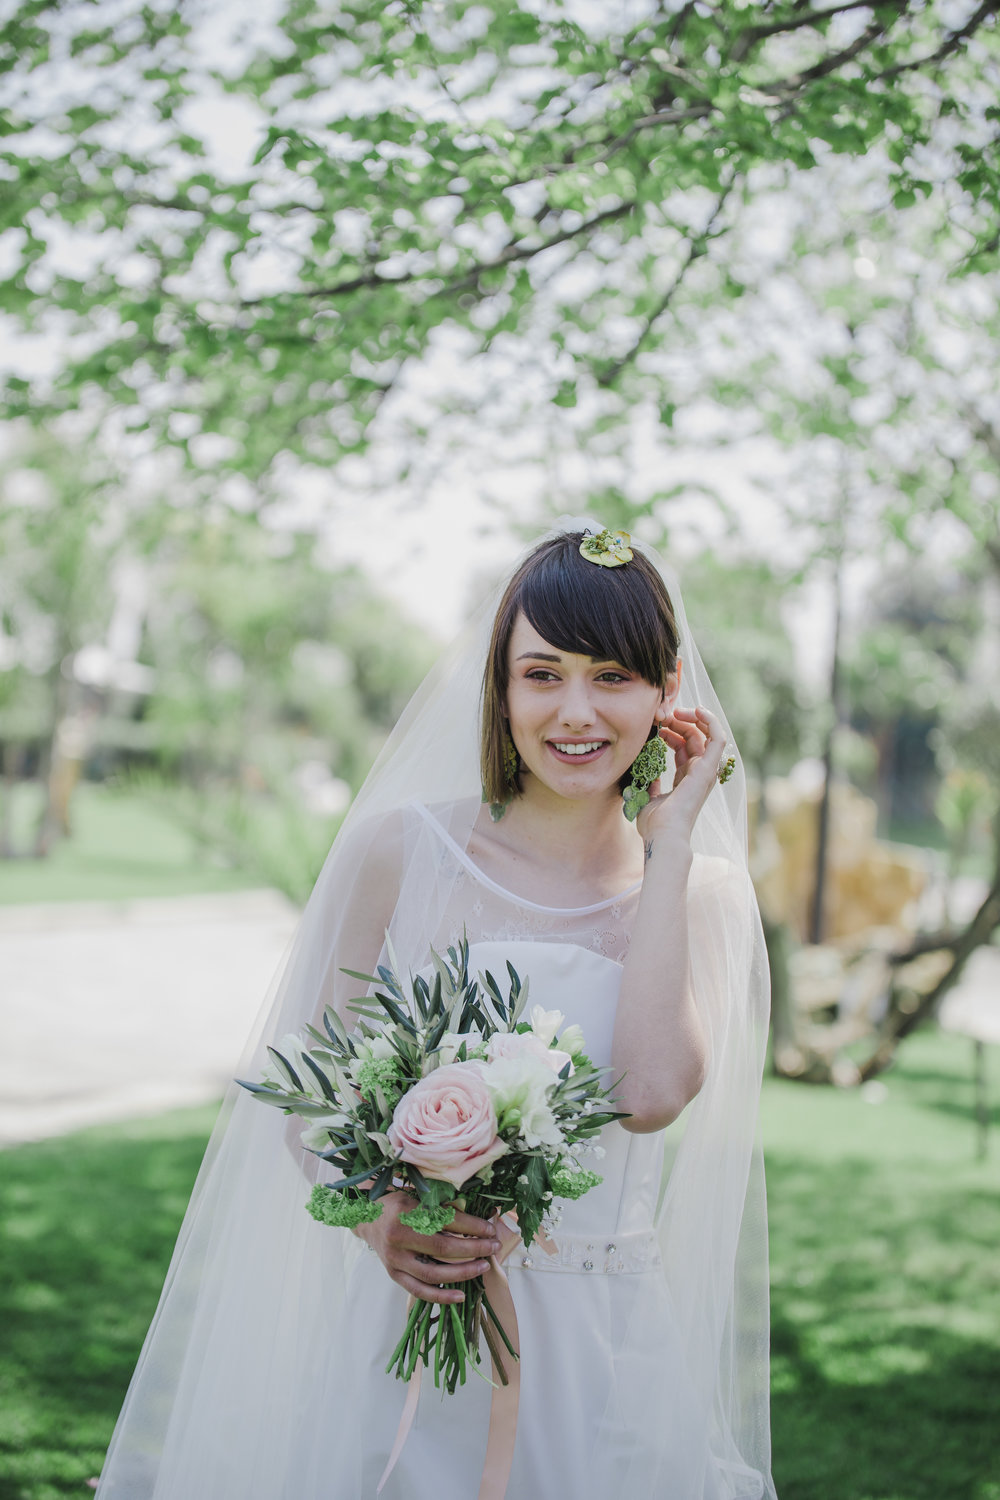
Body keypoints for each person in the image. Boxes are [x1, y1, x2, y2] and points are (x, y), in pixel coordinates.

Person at [94, 521, 776, 1500]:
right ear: (498, 688)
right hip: (412, 1334)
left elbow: (649, 1093)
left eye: (612, 676)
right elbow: (313, 1094)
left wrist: (668, 845)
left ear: (668, 693)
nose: (574, 711)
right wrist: (381, 1222)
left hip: (605, 1353)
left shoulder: (695, 891)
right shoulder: (399, 855)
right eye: (541, 675)